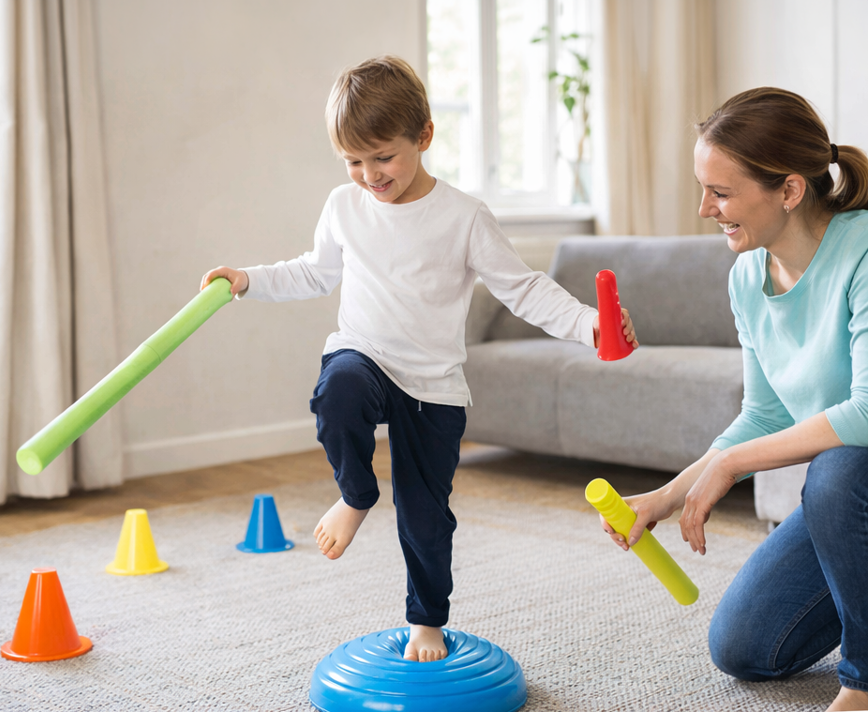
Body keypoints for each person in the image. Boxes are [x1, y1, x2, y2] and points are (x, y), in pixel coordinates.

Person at [201, 55, 638, 663]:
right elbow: (313, 272)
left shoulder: (464, 217)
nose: (369, 175)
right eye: (353, 161)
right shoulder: (344, 206)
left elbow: (523, 289)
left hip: (433, 387)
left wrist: (590, 323)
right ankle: (356, 494)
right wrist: (247, 279)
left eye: (383, 157)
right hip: (365, 355)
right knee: (337, 392)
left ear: (424, 136)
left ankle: (426, 621)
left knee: (426, 517)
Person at [602, 87, 868, 712]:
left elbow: (866, 411)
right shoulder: (747, 276)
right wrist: (667, 496)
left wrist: (731, 464)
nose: (704, 209)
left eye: (720, 192)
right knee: (744, 647)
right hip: (853, 500)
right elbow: (765, 414)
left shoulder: (862, 252)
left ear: (790, 189)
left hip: (850, 482)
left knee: (836, 472)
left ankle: (861, 683)